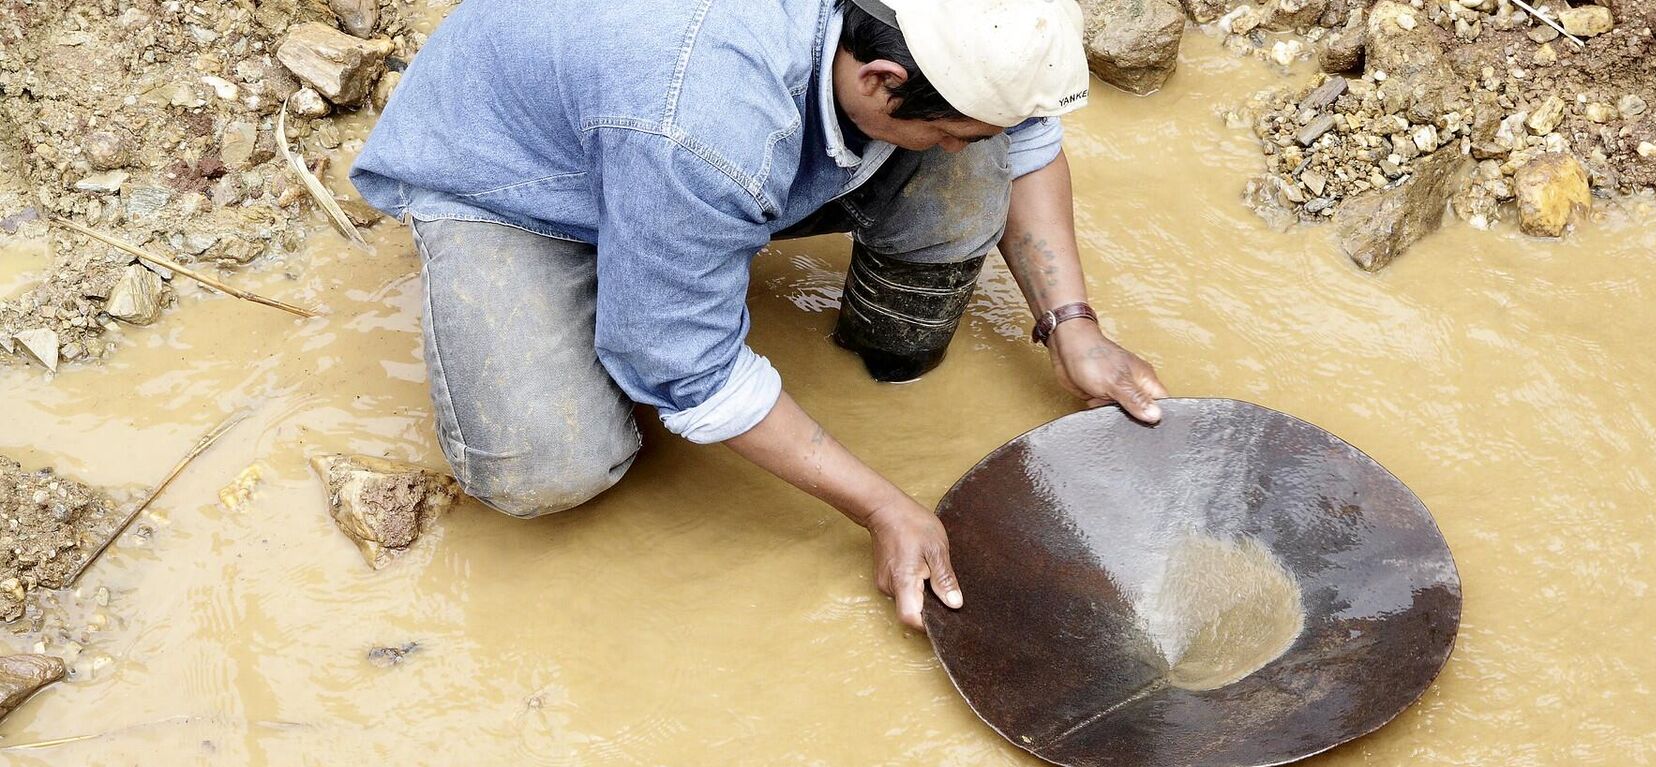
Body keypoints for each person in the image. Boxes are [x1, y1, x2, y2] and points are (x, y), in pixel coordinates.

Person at [349, 0, 1169, 629]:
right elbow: (692, 371)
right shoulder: (706, 125)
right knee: (549, 468)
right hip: (517, 175)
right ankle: (634, 266)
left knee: (964, 173)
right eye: (953, 129)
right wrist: (883, 503)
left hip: (665, 129)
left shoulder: (919, 25)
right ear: (880, 81)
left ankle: (766, 293)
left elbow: (1019, 138)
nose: (967, 142)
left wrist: (1073, 324)